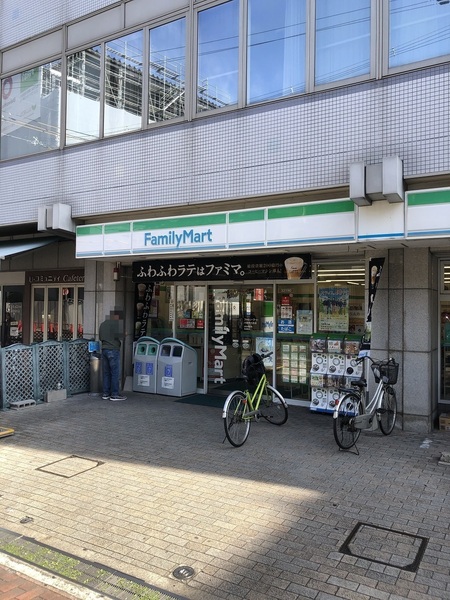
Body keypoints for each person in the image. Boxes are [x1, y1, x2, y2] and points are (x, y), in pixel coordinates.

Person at [99, 310, 126, 401]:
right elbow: (122, 335)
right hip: (113, 350)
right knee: (115, 373)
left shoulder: (102, 324)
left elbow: (100, 337)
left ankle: (106, 393)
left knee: (106, 373)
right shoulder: (116, 324)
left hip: (104, 350)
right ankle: (115, 394)